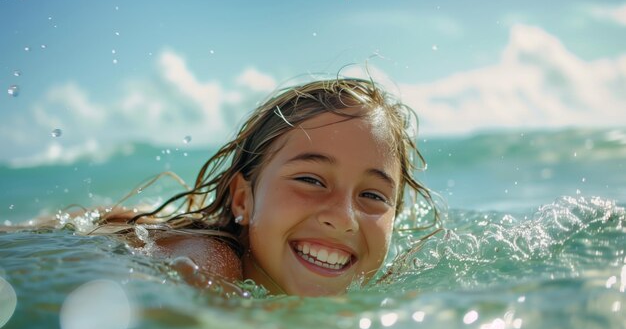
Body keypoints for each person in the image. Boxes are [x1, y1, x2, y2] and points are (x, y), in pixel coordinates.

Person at [98, 76, 438, 296]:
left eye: (372, 195)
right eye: (310, 180)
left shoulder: (387, 290)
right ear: (243, 200)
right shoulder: (213, 263)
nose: (343, 217)